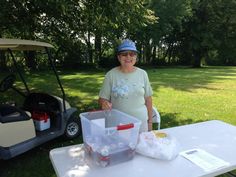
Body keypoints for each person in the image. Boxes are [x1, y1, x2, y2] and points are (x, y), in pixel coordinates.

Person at [98, 39, 153, 132]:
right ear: (119, 57)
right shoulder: (110, 75)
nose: (128, 57)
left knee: (141, 146)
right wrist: (104, 103)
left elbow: (148, 99)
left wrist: (150, 122)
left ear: (136, 57)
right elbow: (102, 99)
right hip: (118, 124)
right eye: (124, 54)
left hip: (141, 124)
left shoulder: (143, 74)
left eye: (132, 54)